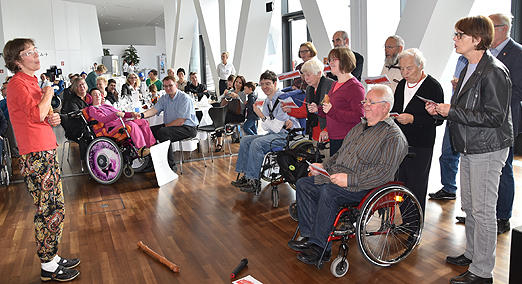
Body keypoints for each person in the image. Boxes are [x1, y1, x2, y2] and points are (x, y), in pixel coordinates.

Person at [426, 16, 512, 284]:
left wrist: (453, 111)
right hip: (472, 146)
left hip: (487, 147)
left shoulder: (493, 71)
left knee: (484, 210)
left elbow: (494, 117)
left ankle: (482, 272)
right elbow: (467, 111)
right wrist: (443, 111)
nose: (454, 39)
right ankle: (473, 254)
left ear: (477, 39)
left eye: (459, 35)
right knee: (471, 207)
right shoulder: (469, 66)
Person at [288, 85, 408, 266]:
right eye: (365, 101)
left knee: (329, 192)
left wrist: (350, 179)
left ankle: (321, 248)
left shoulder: (393, 137)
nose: (365, 105)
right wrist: (323, 165)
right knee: (304, 184)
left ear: (385, 107)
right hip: (338, 176)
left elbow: (383, 173)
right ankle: (310, 236)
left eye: (370, 102)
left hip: (364, 186)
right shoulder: (358, 128)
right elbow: (339, 155)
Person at [3, 38, 80, 282]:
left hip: (45, 149)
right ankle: (47, 264)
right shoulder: (17, 84)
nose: (36, 55)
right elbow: (37, 113)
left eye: (36, 51)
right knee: (48, 209)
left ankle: (53, 256)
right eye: (29, 52)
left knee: (56, 207)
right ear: (17, 61)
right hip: (35, 154)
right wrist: (48, 93)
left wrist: (52, 119)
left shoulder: (31, 82)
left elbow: (40, 116)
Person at [391, 48, 444, 217]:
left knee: (417, 185)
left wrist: (413, 119)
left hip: (421, 144)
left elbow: (439, 119)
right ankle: (407, 221)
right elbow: (397, 109)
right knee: (402, 183)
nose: (405, 73)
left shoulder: (433, 86)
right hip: (401, 142)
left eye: (409, 68)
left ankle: (415, 225)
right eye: (402, 69)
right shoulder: (401, 85)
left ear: (420, 66)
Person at [231, 70, 300, 193]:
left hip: (288, 136)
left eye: (268, 83)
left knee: (257, 144)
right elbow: (267, 127)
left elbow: (275, 128)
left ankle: (254, 181)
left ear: (275, 83)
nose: (264, 87)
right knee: (246, 139)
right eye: (262, 84)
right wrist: (265, 118)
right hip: (275, 133)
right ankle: (246, 176)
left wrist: (262, 116)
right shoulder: (268, 101)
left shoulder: (283, 99)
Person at [138, 76, 198, 169]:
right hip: (172, 126)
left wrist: (165, 127)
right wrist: (141, 115)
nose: (168, 88)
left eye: (170, 85)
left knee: (163, 132)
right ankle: (151, 161)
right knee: (149, 131)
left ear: (176, 85)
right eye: (165, 86)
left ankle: (171, 166)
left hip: (188, 128)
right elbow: (154, 110)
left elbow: (180, 121)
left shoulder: (184, 98)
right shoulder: (164, 98)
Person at [316, 47, 364, 156]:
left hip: (347, 140)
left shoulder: (355, 87)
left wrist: (332, 111)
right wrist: (317, 109)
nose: (330, 63)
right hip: (334, 138)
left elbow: (359, 116)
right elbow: (327, 109)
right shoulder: (334, 84)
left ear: (345, 60)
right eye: (330, 60)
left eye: (334, 59)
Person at [86, 88, 155, 154]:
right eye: (95, 94)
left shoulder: (106, 106)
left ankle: (151, 145)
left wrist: (131, 114)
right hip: (111, 128)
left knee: (143, 121)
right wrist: (115, 114)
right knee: (131, 124)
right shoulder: (92, 109)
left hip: (121, 122)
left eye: (99, 94)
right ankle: (141, 149)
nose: (98, 96)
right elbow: (103, 119)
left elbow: (121, 113)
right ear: (91, 98)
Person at [286, 57, 334, 142]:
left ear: (319, 73)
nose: (305, 78)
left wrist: (326, 130)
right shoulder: (309, 89)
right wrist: (289, 110)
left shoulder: (330, 85)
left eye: (308, 75)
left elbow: (333, 112)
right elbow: (305, 111)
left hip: (328, 134)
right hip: (315, 133)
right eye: (304, 75)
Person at [61, 78, 90, 160]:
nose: (82, 86)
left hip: (88, 125)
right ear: (75, 88)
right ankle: (90, 159)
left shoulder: (90, 97)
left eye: (83, 84)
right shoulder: (72, 101)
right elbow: (78, 115)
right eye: (79, 85)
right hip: (77, 129)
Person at [216, 75, 247, 151]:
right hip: (229, 114)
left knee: (220, 118)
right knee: (218, 117)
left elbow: (243, 107)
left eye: (240, 83)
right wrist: (224, 94)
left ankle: (220, 140)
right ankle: (219, 141)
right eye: (236, 81)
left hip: (239, 115)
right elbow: (219, 101)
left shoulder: (243, 93)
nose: (237, 84)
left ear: (242, 84)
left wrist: (237, 97)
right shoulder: (231, 91)